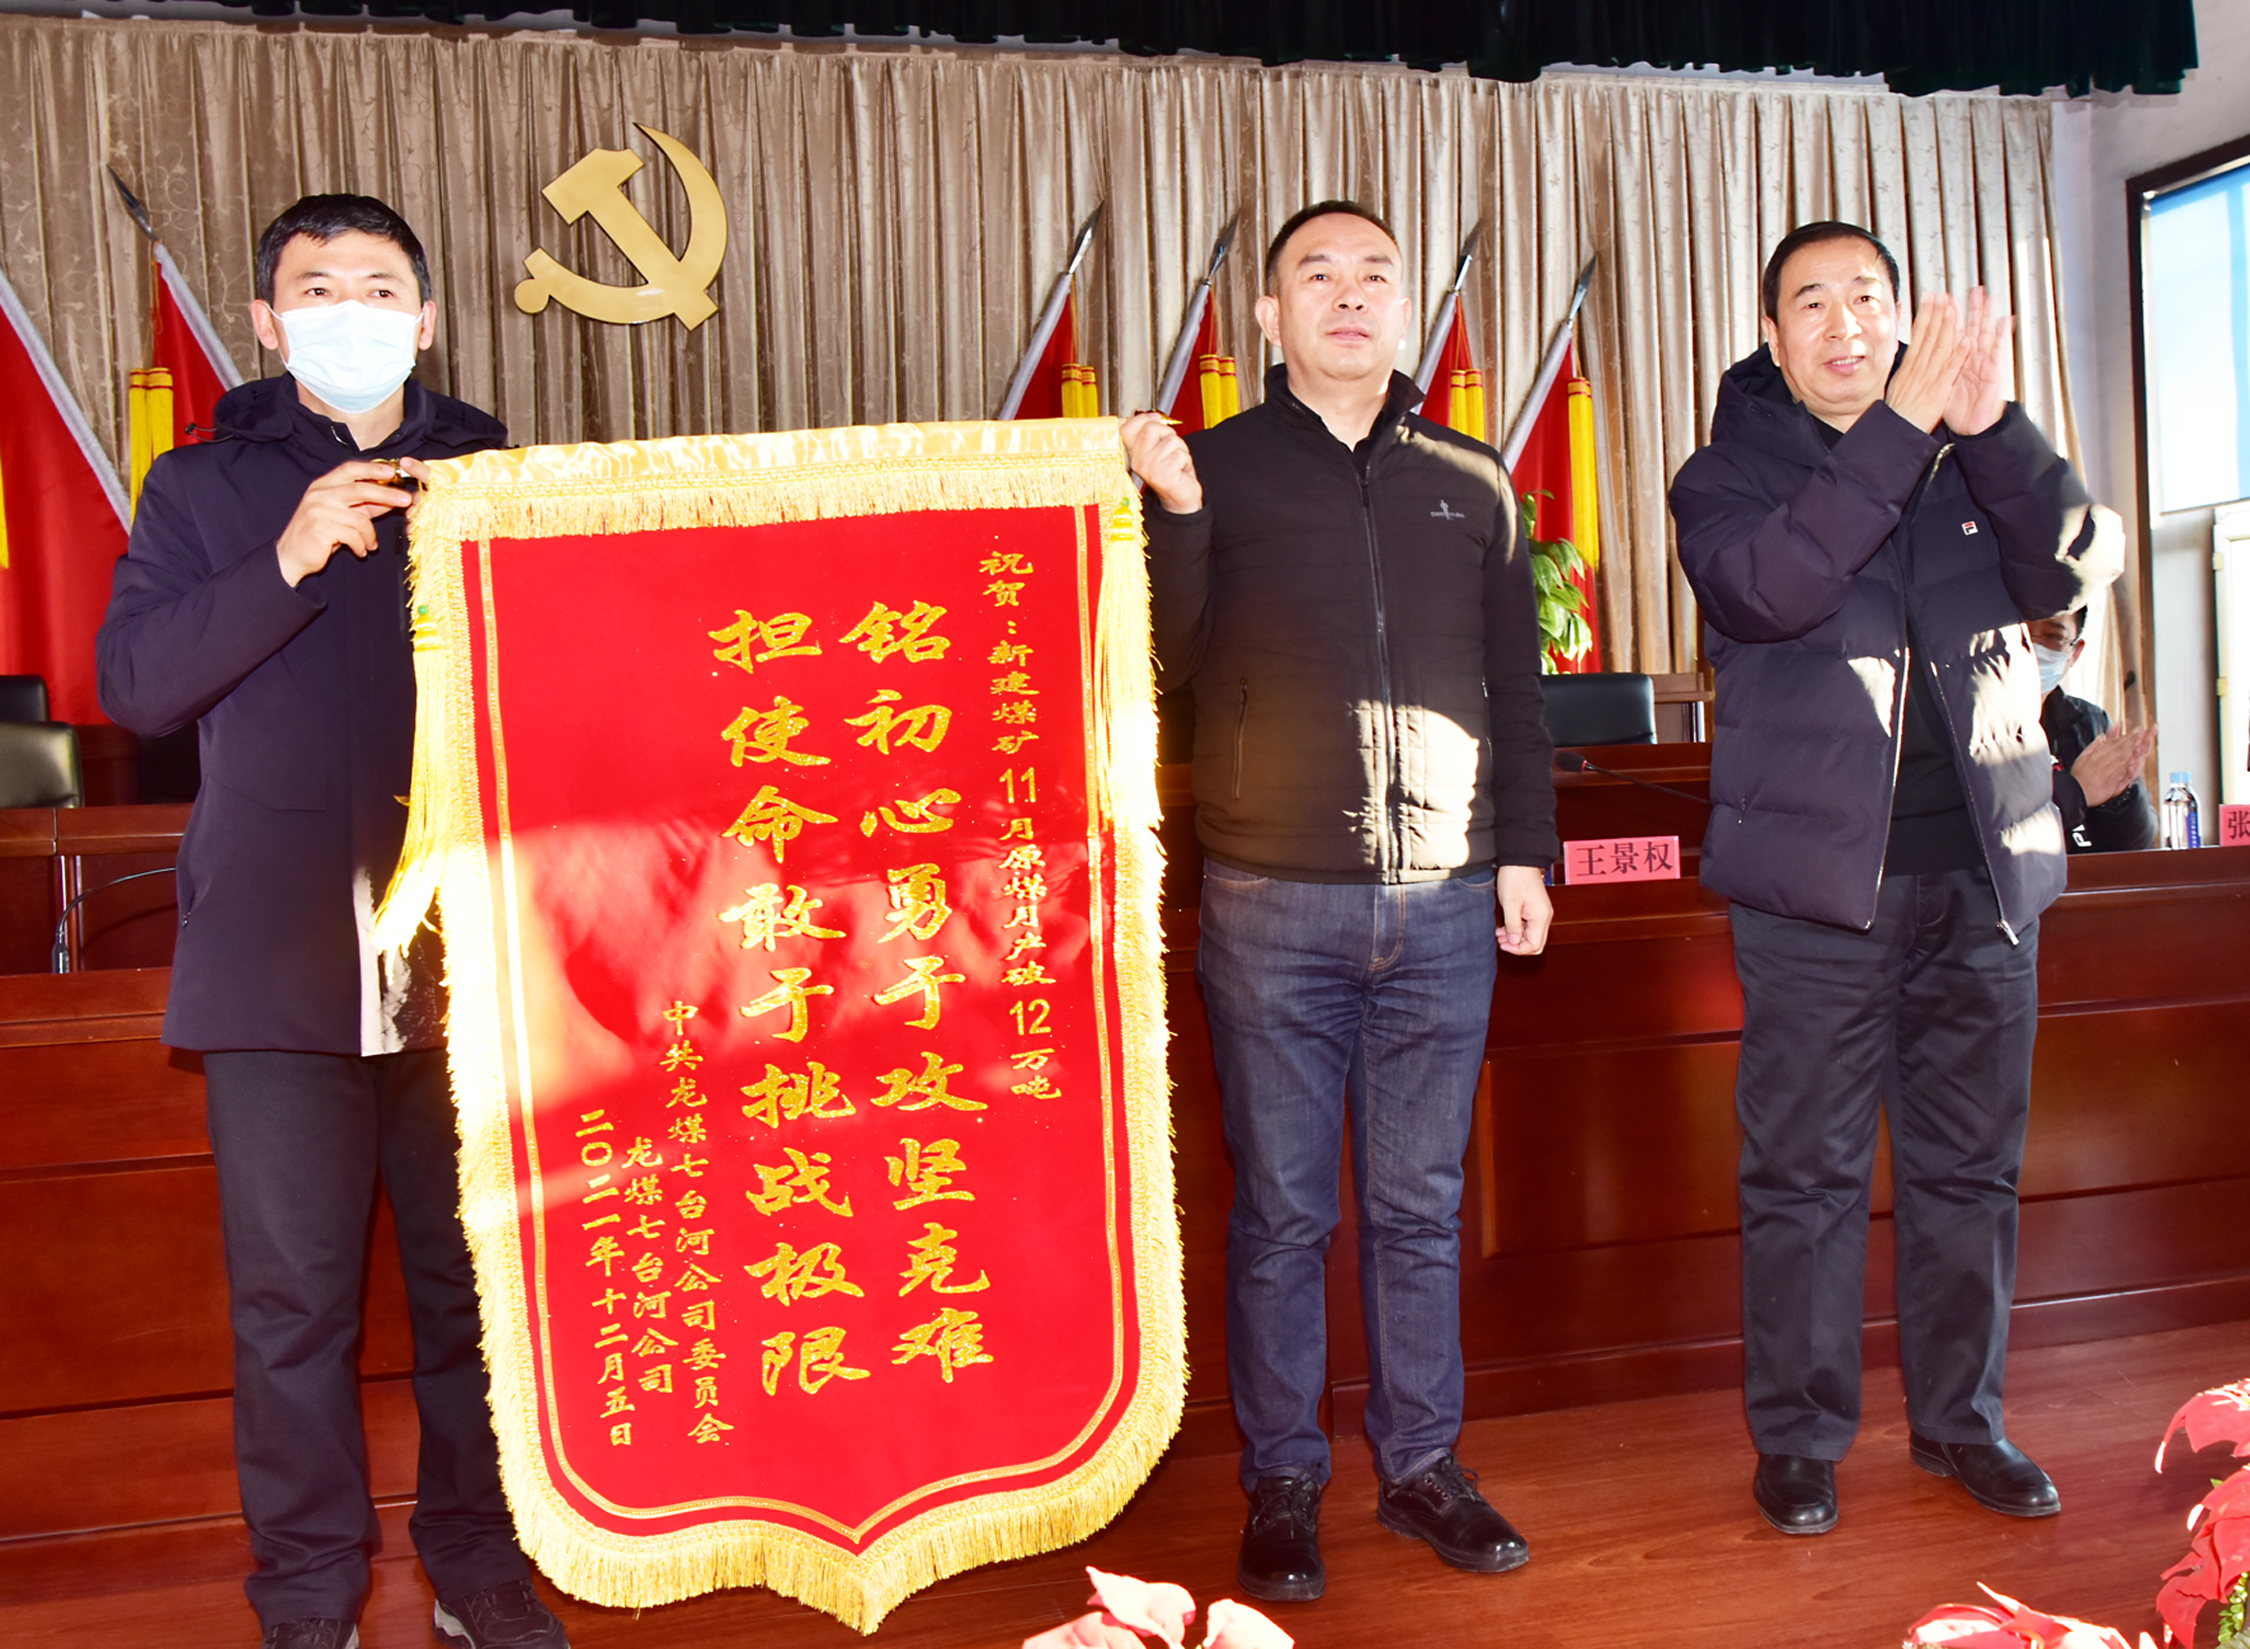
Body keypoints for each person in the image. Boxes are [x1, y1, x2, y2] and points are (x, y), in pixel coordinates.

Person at [97, 195, 568, 1649]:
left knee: (476, 1289)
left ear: (425, 318)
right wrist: (289, 555)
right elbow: (137, 688)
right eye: (316, 289)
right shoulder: (200, 486)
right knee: (291, 1304)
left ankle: (478, 1559)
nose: (348, 311)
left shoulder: (502, 479)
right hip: (278, 957)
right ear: (266, 320)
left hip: (473, 960)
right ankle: (308, 1592)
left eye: (378, 288)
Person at [1121, 202, 1558, 1603]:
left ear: (1406, 306)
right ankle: (1284, 1479)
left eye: (1376, 274)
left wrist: (1523, 852)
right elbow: (1163, 662)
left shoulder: (1472, 481)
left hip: (1446, 899)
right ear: (1269, 316)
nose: (1350, 294)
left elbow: (1514, 691)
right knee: (1283, 1213)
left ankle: (1422, 1464)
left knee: (1421, 1207)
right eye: (1318, 273)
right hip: (1271, 901)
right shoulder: (1217, 469)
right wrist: (1178, 515)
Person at [1668, 221, 2124, 1538]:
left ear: (1902, 319)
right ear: (1771, 337)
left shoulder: (1970, 452)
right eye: (1811, 303)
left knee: (1969, 1169)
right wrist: (1902, 428)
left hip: (1983, 879)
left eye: (1868, 297)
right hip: (1817, 896)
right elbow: (1773, 588)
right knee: (1804, 1175)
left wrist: (1995, 427)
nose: (1845, 323)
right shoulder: (1724, 476)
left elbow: (2072, 563)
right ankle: (1802, 1439)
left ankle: (1961, 1422)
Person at [2029, 606, 2159, 852]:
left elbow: (2135, 847)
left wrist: (2120, 794)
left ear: (2074, 653)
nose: (2034, 648)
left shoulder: (2088, 723)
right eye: (2022, 635)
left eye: (2054, 637)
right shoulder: (1968, 723)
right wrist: (2077, 791)